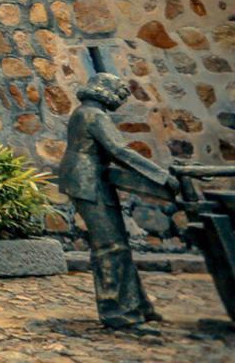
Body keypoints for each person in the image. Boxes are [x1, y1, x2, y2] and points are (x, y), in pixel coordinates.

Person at [57, 73, 179, 330]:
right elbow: (120, 151)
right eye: (121, 95)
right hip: (88, 183)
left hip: (88, 181)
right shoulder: (95, 116)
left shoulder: (84, 112)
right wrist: (160, 175)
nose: (122, 101)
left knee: (118, 244)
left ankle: (138, 305)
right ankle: (119, 313)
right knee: (111, 247)